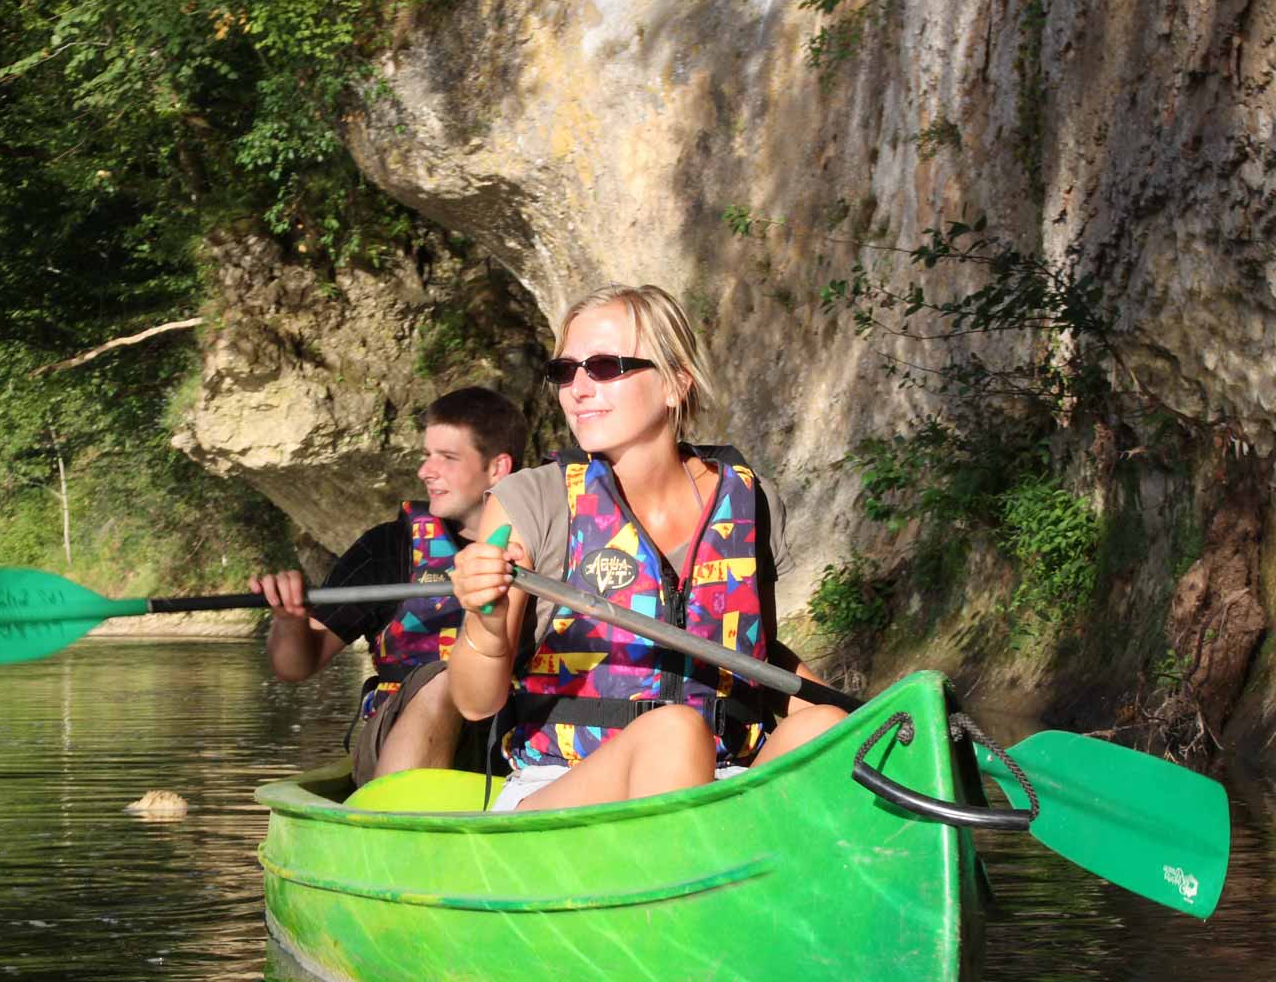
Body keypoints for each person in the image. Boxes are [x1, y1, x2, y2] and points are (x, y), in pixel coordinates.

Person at [448, 284, 846, 812]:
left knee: (828, 729)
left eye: (606, 367)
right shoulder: (533, 498)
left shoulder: (751, 502)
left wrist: (879, 720)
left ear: (675, 385)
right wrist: (485, 621)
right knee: (674, 733)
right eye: (566, 371)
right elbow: (476, 704)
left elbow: (756, 656)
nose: (578, 389)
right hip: (561, 789)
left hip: (718, 783)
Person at [248, 386, 529, 786]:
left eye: (446, 458)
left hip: (515, 743)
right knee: (444, 677)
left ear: (498, 468)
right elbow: (296, 666)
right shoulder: (387, 550)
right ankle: (399, 814)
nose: (425, 471)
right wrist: (289, 619)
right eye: (426, 456)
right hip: (397, 741)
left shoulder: (551, 542)